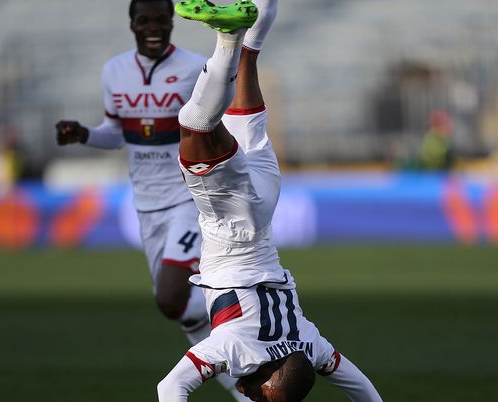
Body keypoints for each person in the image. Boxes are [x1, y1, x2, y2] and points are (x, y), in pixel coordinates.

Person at [157, 0, 383, 400]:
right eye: (265, 397)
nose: (258, 399)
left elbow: (363, 389)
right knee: (195, 123)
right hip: (233, 221)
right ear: (270, 377)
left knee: (249, 59)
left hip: (265, 201)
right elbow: (170, 387)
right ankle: (225, 37)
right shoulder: (236, 349)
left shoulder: (310, 346)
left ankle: (247, 26)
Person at [54, 1, 249, 399]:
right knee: (183, 312)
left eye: (162, 20)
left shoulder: (195, 67)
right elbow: (117, 131)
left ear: (172, 22)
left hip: (188, 197)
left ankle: (244, 314)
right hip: (146, 206)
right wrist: (84, 135)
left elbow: (218, 126)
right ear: (132, 25)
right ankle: (248, 387)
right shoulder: (114, 71)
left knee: (170, 296)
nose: (154, 27)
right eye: (145, 20)